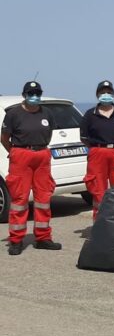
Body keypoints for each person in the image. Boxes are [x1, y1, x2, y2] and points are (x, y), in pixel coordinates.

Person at [1, 81, 61, 254]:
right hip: (21, 155)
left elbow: (48, 135)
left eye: (37, 93)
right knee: (19, 199)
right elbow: (4, 137)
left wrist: (39, 148)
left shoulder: (47, 113)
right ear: (24, 95)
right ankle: (16, 239)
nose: (34, 96)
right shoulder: (13, 114)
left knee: (43, 197)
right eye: (31, 93)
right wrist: (15, 152)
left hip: (42, 155)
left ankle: (43, 237)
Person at [80, 80, 114, 218]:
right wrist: (99, 148)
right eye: (103, 92)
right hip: (97, 152)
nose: (106, 95)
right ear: (97, 95)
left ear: (113, 94)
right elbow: (84, 137)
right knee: (98, 189)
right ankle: (100, 223)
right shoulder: (90, 114)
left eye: (109, 92)